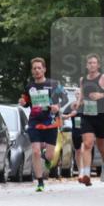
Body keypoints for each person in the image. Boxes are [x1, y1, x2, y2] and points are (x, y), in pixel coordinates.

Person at [18, 58, 68, 192]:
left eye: (39, 68)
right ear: (32, 71)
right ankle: (40, 182)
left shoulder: (54, 84)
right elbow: (26, 101)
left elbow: (65, 98)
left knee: (50, 156)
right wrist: (23, 102)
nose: (37, 70)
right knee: (35, 151)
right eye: (34, 68)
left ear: (44, 69)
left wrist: (57, 106)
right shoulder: (30, 87)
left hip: (51, 122)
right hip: (35, 121)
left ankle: (46, 157)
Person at [75, 53, 104, 184]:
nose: (92, 65)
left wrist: (102, 95)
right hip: (87, 115)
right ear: (86, 65)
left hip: (102, 116)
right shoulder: (83, 80)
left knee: (101, 146)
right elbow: (81, 95)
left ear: (98, 65)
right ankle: (86, 174)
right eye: (89, 63)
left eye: (94, 63)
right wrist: (78, 104)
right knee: (87, 143)